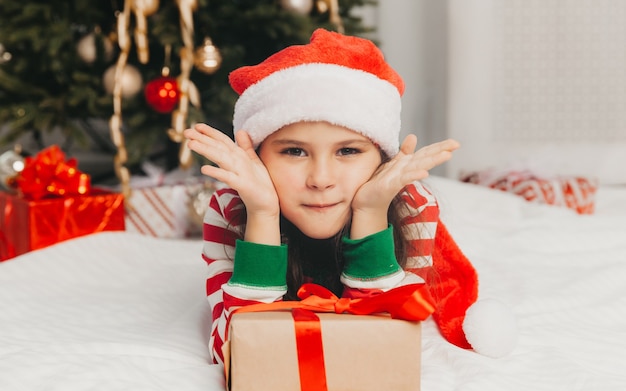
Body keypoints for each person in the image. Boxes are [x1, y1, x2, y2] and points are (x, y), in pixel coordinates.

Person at [184, 28, 482, 365]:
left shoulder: (413, 205)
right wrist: (263, 216)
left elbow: (386, 348)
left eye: (348, 151)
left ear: (380, 157)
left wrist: (370, 212)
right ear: (258, 155)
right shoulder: (231, 208)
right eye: (295, 151)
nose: (321, 180)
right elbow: (238, 354)